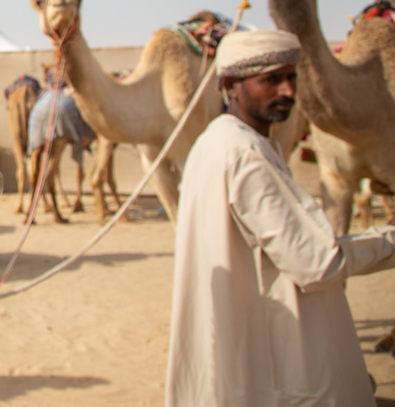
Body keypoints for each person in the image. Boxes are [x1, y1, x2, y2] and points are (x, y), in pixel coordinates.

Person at [165, 30, 395, 406]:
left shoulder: (217, 141)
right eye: (270, 80)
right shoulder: (245, 154)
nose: (288, 91)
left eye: (291, 78)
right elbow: (320, 263)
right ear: (231, 86)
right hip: (274, 361)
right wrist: (388, 241)